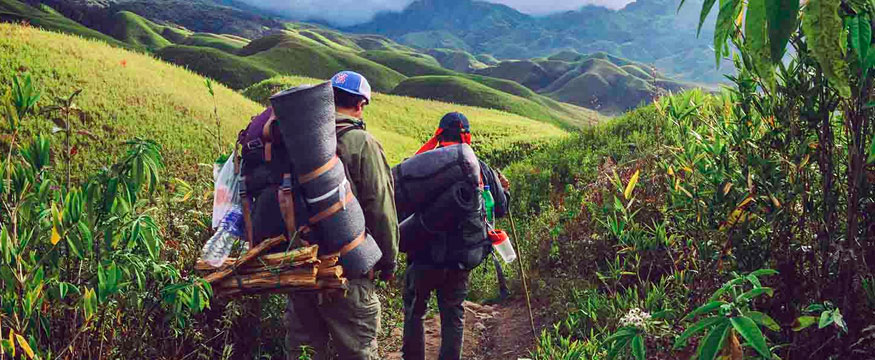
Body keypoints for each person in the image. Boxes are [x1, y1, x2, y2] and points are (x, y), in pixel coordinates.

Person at [285, 71, 399, 360]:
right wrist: (387, 261)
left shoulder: (295, 139)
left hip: (300, 267)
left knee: (304, 353)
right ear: (360, 104)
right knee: (358, 352)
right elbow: (381, 207)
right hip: (349, 270)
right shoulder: (361, 142)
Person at [402, 112, 500, 360]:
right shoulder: (480, 167)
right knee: (453, 315)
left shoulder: (422, 164)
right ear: (466, 135)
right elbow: (500, 207)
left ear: (440, 134)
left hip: (423, 257)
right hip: (460, 259)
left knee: (415, 312)